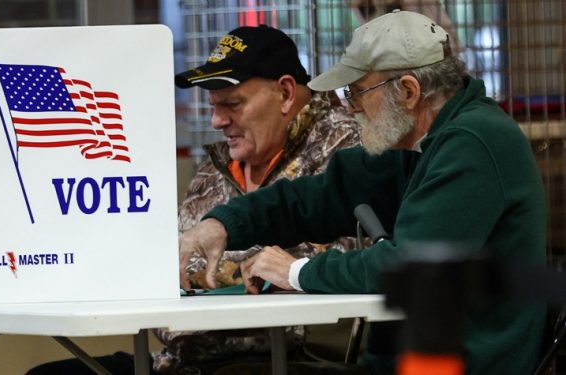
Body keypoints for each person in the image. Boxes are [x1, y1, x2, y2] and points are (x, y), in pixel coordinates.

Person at [179, 10, 546, 375]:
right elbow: (315, 197)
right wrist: (222, 225)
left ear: (407, 91)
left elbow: (413, 268)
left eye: (356, 92)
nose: (349, 106)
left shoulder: (473, 143)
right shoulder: (417, 143)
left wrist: (296, 272)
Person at [28, 25, 361, 375]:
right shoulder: (217, 166)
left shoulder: (344, 148)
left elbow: (319, 268)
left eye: (232, 104)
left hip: (280, 360)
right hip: (181, 361)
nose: (217, 120)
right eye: (214, 106)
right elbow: (174, 263)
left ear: (285, 93)